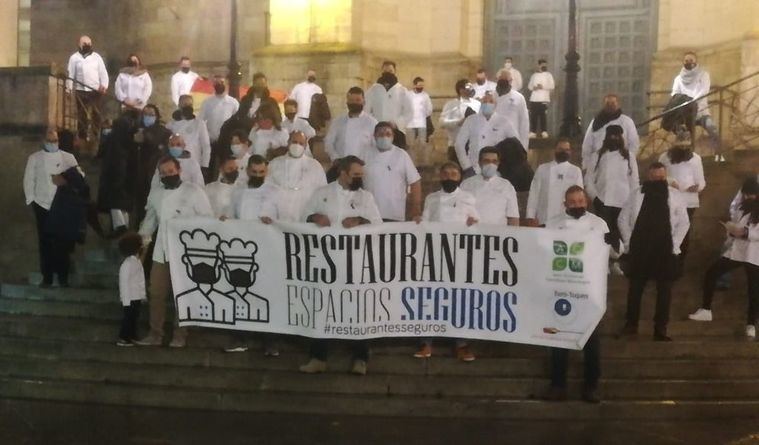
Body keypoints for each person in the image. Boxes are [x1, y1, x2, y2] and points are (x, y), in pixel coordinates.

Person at [299, 156, 382, 375]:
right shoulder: (322, 193)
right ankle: (318, 357)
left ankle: (360, 358)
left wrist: (360, 221)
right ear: (342, 173)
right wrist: (315, 217)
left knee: (358, 308)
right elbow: (302, 217)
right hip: (325, 260)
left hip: (356, 261)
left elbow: (378, 224)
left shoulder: (366, 197)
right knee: (322, 307)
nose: (359, 179)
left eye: (361, 175)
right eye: (355, 175)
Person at [135, 156, 214, 348]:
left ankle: (180, 333)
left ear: (179, 170)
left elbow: (207, 219)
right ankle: (156, 333)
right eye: (163, 173)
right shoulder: (155, 193)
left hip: (186, 252)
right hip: (161, 250)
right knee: (156, 292)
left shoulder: (194, 191)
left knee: (183, 293)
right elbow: (150, 221)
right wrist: (140, 242)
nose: (167, 175)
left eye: (171, 171)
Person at [544, 185, 612, 404]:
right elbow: (540, 249)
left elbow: (611, 251)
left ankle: (592, 386)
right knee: (559, 337)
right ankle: (558, 385)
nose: (577, 205)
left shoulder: (599, 224)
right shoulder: (553, 224)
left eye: (580, 201)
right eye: (572, 202)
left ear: (586, 201)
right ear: (565, 204)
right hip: (561, 288)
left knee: (592, 339)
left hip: (590, 289)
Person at [618, 162, 690, 341]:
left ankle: (660, 329)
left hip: (665, 249)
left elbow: (684, 222)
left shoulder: (675, 196)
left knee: (665, 290)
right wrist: (628, 243)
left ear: (665, 177)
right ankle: (631, 324)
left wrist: (675, 244)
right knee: (635, 288)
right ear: (648, 177)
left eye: (661, 177)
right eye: (654, 177)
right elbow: (622, 219)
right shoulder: (636, 195)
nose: (658, 180)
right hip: (640, 248)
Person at [415, 162, 479, 361]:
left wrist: (473, 224)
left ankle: (461, 344)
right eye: (446, 173)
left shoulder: (468, 198)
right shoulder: (432, 198)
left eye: (454, 174)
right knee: (431, 297)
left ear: (460, 176)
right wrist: (418, 221)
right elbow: (424, 223)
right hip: (434, 254)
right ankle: (427, 342)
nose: (450, 177)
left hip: (460, 255)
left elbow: (478, 224)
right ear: (440, 177)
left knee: (459, 298)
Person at [222, 155, 282, 356]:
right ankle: (240, 337)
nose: (257, 175)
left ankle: (270, 341)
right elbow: (230, 214)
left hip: (268, 249)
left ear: (267, 172)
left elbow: (287, 219)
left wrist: (271, 221)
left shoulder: (275, 192)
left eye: (261, 172)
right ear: (247, 171)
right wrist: (224, 218)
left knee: (266, 294)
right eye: (254, 172)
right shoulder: (238, 192)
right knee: (241, 292)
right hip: (241, 251)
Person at [689, 178, 759, 338]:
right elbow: (736, 226)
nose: (749, 198)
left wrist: (746, 233)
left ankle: (751, 324)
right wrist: (731, 229)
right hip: (737, 250)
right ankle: (706, 309)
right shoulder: (742, 208)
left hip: (754, 254)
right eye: (746, 194)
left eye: (752, 195)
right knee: (712, 273)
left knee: (754, 290)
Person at [23, 128, 82, 288]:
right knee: (45, 242)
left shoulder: (67, 157)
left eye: (54, 140)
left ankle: (63, 277)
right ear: (44, 141)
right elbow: (29, 180)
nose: (52, 143)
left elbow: (79, 176)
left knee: (62, 242)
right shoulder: (34, 158)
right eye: (49, 141)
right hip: (42, 204)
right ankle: (47, 277)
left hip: (62, 205)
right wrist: (32, 200)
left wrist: (65, 179)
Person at [584, 125, 640, 274]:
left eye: (617, 136)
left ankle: (617, 263)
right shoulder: (597, 156)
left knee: (621, 233)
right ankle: (603, 263)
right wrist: (595, 197)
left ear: (621, 137)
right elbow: (589, 180)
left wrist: (633, 201)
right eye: (611, 135)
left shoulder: (629, 156)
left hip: (624, 202)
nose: (614, 138)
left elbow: (634, 181)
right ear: (606, 137)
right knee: (604, 234)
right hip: (604, 201)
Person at [363, 122, 422, 222]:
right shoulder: (364, 154)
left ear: (393, 136)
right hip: (369, 213)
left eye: (388, 134)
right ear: (374, 136)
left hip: (395, 213)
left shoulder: (401, 155)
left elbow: (415, 182)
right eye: (380, 134)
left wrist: (415, 208)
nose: (384, 137)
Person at [659, 141, 706, 262]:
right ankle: (665, 260)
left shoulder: (696, 159)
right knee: (667, 230)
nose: (684, 148)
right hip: (670, 200)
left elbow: (701, 181)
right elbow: (659, 176)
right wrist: (670, 181)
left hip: (688, 202)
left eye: (686, 146)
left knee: (684, 232)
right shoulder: (664, 157)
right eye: (681, 146)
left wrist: (697, 187)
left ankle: (679, 263)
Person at [97, 108, 141, 237]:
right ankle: (123, 226)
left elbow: (103, 153)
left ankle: (120, 226)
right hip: (123, 175)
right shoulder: (129, 138)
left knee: (115, 201)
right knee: (121, 203)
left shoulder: (116, 138)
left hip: (115, 175)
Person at [671, 51, 722, 162]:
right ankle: (689, 157)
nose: (689, 62)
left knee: (712, 129)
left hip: (701, 111)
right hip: (686, 113)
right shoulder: (678, 79)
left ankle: (719, 154)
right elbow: (675, 93)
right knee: (687, 134)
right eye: (686, 61)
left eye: (691, 60)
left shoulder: (703, 75)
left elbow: (704, 91)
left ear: (696, 61)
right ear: (683, 62)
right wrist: (684, 102)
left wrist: (692, 101)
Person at [266, 131, 327, 222]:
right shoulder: (275, 163)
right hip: (279, 215)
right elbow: (266, 188)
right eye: (294, 142)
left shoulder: (315, 165)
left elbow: (323, 192)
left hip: (305, 212)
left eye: (301, 143)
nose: (297, 145)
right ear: (288, 143)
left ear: (305, 146)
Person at [455, 92, 517, 177]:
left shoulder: (504, 122)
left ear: (496, 104)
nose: (487, 104)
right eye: (485, 101)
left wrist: (506, 167)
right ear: (481, 104)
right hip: (474, 168)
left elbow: (515, 145)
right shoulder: (471, 120)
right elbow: (459, 144)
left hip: (498, 170)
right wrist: (467, 166)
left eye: (491, 101)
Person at [526, 139, 583, 226]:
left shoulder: (575, 171)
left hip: (567, 220)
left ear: (570, 152)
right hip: (543, 218)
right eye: (560, 149)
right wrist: (530, 215)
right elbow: (534, 193)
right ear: (555, 150)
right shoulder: (542, 168)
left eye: (566, 150)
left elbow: (579, 197)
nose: (563, 152)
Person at [460, 147, 519, 226]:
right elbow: (458, 212)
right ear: (479, 162)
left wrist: (514, 235)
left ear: (498, 163)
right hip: (472, 233)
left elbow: (513, 217)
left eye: (494, 161)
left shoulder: (506, 186)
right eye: (486, 161)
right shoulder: (466, 184)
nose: (491, 164)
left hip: (499, 234)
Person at [133, 104, 172, 225]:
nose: (148, 117)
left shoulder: (163, 131)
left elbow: (164, 148)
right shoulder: (135, 128)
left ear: (157, 116)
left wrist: (147, 137)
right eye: (145, 114)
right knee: (140, 201)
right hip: (138, 171)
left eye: (151, 115)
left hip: (154, 170)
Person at [581, 94, 639, 171]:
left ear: (618, 104)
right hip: (599, 162)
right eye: (608, 103)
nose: (610, 105)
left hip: (620, 162)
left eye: (613, 103)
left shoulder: (627, 121)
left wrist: (629, 160)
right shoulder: (595, 122)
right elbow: (587, 144)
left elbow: (634, 143)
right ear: (604, 105)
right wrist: (586, 164)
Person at [66, 35, 109, 141]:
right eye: (84, 43)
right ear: (79, 44)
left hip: (95, 90)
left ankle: (96, 136)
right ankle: (82, 137)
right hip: (81, 91)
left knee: (96, 114)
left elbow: (103, 73)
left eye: (89, 43)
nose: (87, 45)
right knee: (82, 115)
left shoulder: (97, 57)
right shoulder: (74, 58)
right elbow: (71, 74)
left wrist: (104, 85)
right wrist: (69, 89)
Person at [199, 76, 240, 177]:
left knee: (226, 166)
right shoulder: (207, 102)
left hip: (227, 142)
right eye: (217, 83)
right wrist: (207, 137)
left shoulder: (233, 102)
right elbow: (200, 121)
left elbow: (237, 122)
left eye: (221, 82)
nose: (219, 85)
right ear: (213, 85)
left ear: (226, 84)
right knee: (211, 167)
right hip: (212, 141)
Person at [324, 87, 378, 161]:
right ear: (347, 102)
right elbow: (328, 142)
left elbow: (376, 147)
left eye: (358, 100)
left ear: (364, 102)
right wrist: (335, 158)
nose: (354, 103)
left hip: (364, 166)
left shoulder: (372, 122)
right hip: (341, 165)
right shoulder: (337, 121)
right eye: (351, 100)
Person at [167, 95, 212, 174]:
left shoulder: (199, 123)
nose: (188, 107)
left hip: (194, 164)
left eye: (190, 105)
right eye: (185, 105)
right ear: (179, 106)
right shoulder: (170, 125)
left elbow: (206, 146)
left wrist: (204, 165)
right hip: (175, 165)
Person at [116, 232, 146, 347]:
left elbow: (141, 280)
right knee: (128, 319)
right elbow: (123, 283)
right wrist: (125, 300)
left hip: (136, 297)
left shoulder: (136, 262)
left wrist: (142, 295)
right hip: (130, 298)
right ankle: (123, 337)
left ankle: (132, 336)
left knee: (134, 318)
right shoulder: (127, 264)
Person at [365, 61, 413, 133]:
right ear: (382, 72)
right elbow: (366, 110)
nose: (388, 73)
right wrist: (375, 123)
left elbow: (409, 112)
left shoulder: (402, 91)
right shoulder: (373, 90)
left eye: (390, 71)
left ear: (395, 71)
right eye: (385, 71)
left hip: (397, 131)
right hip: (377, 131)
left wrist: (397, 123)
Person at [440, 80, 480, 160]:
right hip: (455, 145)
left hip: (474, 146)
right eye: (468, 87)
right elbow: (442, 123)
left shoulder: (477, 104)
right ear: (461, 90)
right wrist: (459, 122)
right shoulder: (451, 104)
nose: (471, 89)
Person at [494, 70, 530, 150]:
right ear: (497, 80)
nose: (503, 83)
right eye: (501, 80)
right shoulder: (490, 97)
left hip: (513, 141)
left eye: (506, 80)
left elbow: (524, 123)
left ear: (511, 81)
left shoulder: (519, 98)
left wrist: (524, 147)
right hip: (493, 140)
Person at [527, 59, 555, 138]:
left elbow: (552, 86)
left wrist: (543, 87)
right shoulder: (534, 75)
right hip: (534, 98)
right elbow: (529, 86)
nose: (544, 66)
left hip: (544, 98)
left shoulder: (548, 75)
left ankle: (544, 131)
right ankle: (533, 131)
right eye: (542, 65)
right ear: (539, 65)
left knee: (543, 116)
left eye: (545, 65)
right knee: (533, 116)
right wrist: (534, 88)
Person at [406, 77, 433, 150]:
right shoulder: (408, 95)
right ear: (414, 85)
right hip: (410, 123)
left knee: (422, 144)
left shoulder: (425, 95)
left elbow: (429, 109)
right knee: (410, 145)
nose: (421, 87)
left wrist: (424, 113)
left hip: (421, 123)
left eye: (422, 86)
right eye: (419, 85)